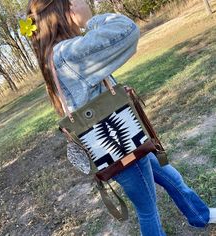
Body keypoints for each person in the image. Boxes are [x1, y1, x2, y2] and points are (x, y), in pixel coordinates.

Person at [24, 0, 216, 235]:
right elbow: (126, 30)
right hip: (121, 146)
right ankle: (198, 215)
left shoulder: (55, 55)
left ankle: (200, 215)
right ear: (68, 9)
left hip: (119, 141)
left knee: (169, 174)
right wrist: (89, 21)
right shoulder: (67, 54)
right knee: (147, 209)